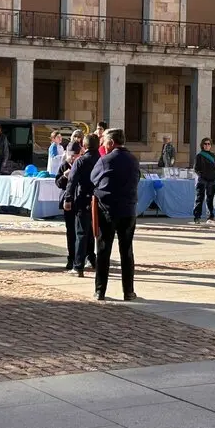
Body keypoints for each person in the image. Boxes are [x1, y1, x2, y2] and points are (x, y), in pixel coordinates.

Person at [90, 128, 140, 301]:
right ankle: (128, 291)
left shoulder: (106, 160)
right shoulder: (134, 160)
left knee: (103, 251)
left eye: (104, 141)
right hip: (128, 210)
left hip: (108, 210)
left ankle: (100, 290)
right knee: (127, 252)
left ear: (111, 143)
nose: (103, 144)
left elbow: (94, 178)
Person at [64, 134, 100, 276]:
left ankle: (78, 266)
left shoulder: (80, 161)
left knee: (81, 233)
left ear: (84, 147)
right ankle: (93, 260)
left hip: (83, 199)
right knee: (95, 233)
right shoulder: (102, 160)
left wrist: (68, 199)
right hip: (99, 200)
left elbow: (72, 181)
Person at [56, 141, 84, 271]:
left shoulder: (82, 164)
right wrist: (64, 176)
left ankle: (82, 258)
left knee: (82, 232)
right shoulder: (64, 165)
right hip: (67, 202)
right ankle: (71, 258)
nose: (72, 158)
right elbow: (58, 183)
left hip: (80, 201)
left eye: (75, 155)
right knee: (70, 231)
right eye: (71, 155)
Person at [193, 138, 215, 225]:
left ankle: (210, 218)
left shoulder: (213, 156)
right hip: (202, 181)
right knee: (199, 199)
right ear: (202, 145)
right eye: (205, 144)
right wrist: (202, 175)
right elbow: (196, 169)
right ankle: (197, 217)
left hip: (212, 181)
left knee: (210, 200)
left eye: (209, 144)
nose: (207, 145)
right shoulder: (199, 156)